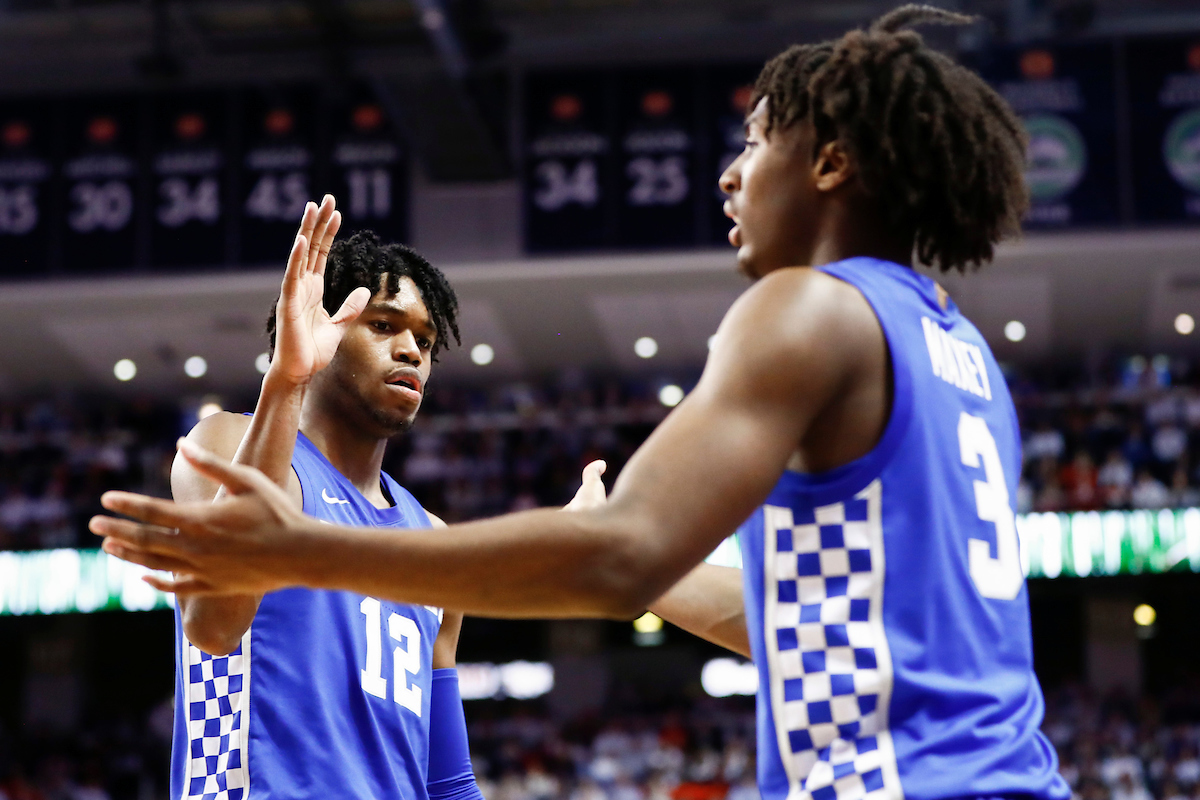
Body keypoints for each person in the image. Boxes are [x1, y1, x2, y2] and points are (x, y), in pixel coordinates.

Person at [94, 6, 1071, 800]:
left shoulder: (809, 309)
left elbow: (619, 554)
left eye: (754, 141)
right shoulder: (960, 352)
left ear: (829, 164)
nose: (731, 173)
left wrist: (303, 550)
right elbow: (784, 615)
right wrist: (637, 562)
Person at [157, 197, 496, 800]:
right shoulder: (224, 444)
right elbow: (213, 626)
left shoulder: (435, 541)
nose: (412, 351)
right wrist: (288, 379)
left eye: (425, 340)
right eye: (384, 325)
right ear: (325, 327)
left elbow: (448, 781)